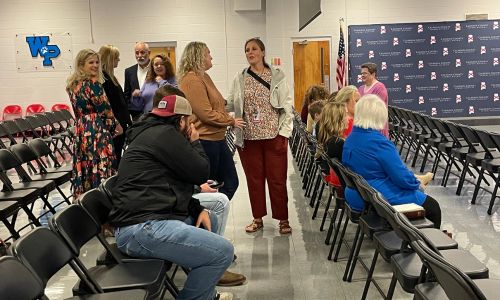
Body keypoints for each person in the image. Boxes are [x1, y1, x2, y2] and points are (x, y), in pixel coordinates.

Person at [109, 86, 244, 300]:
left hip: (147, 219)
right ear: (180, 121)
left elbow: (172, 185)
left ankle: (206, 293)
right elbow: (200, 172)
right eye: (189, 122)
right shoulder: (165, 135)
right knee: (222, 252)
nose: (190, 126)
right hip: (142, 228)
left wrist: (196, 207)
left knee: (211, 219)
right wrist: (195, 141)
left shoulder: (151, 132)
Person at [226, 38, 294, 234]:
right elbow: (231, 103)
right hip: (248, 138)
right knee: (254, 180)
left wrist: (284, 134)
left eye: (254, 49)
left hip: (274, 136)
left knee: (277, 180)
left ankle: (283, 219)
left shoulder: (277, 76)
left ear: (263, 52)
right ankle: (257, 218)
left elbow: (287, 107)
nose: (250, 52)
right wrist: (213, 106)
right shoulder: (240, 77)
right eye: (247, 50)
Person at [342, 95, 441, 228]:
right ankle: (428, 245)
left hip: (356, 194)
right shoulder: (380, 143)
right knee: (433, 207)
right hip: (376, 199)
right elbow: (402, 178)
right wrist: (416, 184)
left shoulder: (351, 138)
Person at [178, 41, 245, 200]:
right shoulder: (192, 80)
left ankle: (214, 216)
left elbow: (220, 103)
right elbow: (205, 114)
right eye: (208, 53)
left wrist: (241, 101)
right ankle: (207, 218)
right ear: (199, 57)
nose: (211, 57)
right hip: (205, 140)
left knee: (230, 183)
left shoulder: (204, 77)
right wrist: (231, 121)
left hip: (216, 139)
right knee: (211, 187)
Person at [66, 49, 122, 199]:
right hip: (97, 130)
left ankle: (86, 200)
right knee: (101, 164)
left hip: (81, 130)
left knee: (86, 165)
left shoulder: (72, 85)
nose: (96, 65)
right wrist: (116, 126)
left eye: (97, 62)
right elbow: (105, 110)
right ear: (81, 64)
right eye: (91, 62)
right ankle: (103, 200)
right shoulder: (94, 84)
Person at [98, 44, 132, 165]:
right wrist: (116, 123)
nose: (118, 60)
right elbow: (109, 105)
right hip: (115, 125)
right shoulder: (104, 79)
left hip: (120, 123)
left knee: (118, 155)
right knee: (115, 156)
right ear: (109, 59)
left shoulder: (111, 77)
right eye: (116, 58)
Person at [317, 102, 348, 194]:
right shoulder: (338, 144)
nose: (348, 118)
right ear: (338, 120)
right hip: (345, 186)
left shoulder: (331, 141)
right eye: (345, 115)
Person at [358, 62, 389, 137]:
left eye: (365, 73)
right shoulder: (360, 88)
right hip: (363, 126)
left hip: (377, 126)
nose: (362, 75)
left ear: (373, 74)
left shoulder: (380, 88)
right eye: (361, 73)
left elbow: (377, 109)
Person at [124, 42, 151, 121]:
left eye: (142, 52)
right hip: (136, 115)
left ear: (149, 53)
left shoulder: (155, 69)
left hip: (153, 113)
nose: (139, 56)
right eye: (137, 53)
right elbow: (127, 94)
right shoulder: (129, 71)